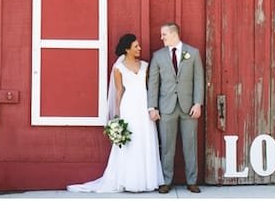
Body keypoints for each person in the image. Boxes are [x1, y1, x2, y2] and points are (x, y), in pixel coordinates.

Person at [67, 33, 164, 193]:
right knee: (130, 142)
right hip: (129, 107)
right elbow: (119, 92)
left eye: (139, 46)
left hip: (144, 105)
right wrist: (118, 116)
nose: (139, 48)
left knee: (145, 139)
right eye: (136, 46)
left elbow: (150, 88)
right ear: (127, 49)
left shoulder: (146, 66)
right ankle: (129, 180)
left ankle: (147, 179)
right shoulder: (119, 68)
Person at [147, 22, 205, 194]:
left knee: (190, 144)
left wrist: (198, 103)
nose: (161, 37)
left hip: (189, 107)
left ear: (173, 34)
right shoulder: (158, 56)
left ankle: (192, 181)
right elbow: (153, 83)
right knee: (167, 146)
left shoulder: (193, 53)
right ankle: (166, 181)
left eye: (164, 34)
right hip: (166, 107)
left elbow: (199, 80)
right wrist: (152, 107)